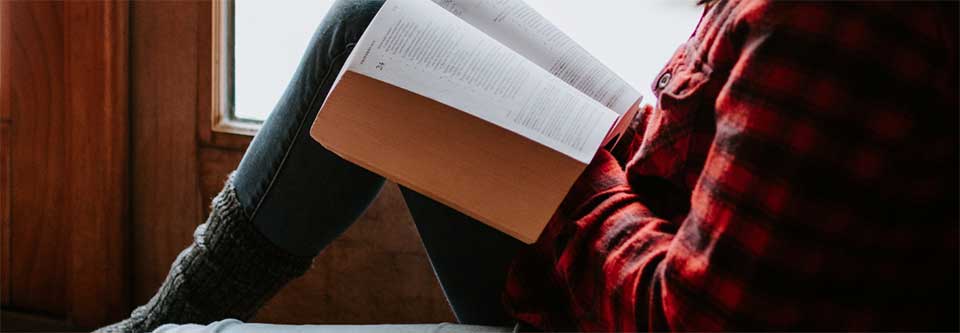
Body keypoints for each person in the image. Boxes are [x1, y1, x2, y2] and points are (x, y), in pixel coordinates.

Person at [99, 0, 959, 331]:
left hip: (617, 312)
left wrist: (579, 177)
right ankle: (151, 322)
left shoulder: (832, 25)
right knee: (376, 19)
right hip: (629, 251)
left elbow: (687, 324)